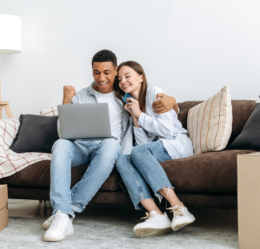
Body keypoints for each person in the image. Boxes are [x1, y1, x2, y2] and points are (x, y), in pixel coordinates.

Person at [43, 50, 178, 242]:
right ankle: (63, 213)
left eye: (106, 72)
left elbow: (150, 96)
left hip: (107, 149)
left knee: (111, 144)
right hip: (80, 147)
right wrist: (65, 102)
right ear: (92, 73)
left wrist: (173, 101)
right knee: (60, 144)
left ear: (115, 71)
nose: (102, 77)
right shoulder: (81, 96)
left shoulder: (124, 94)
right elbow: (63, 132)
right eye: (97, 72)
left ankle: (63, 213)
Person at [114, 61, 195, 238]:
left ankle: (179, 207)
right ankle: (156, 214)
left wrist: (140, 116)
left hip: (175, 143)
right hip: (155, 150)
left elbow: (167, 131)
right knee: (122, 158)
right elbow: (143, 144)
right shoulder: (131, 105)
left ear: (141, 77)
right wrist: (135, 119)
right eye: (120, 79)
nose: (123, 81)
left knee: (137, 152)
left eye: (128, 76)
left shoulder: (154, 93)